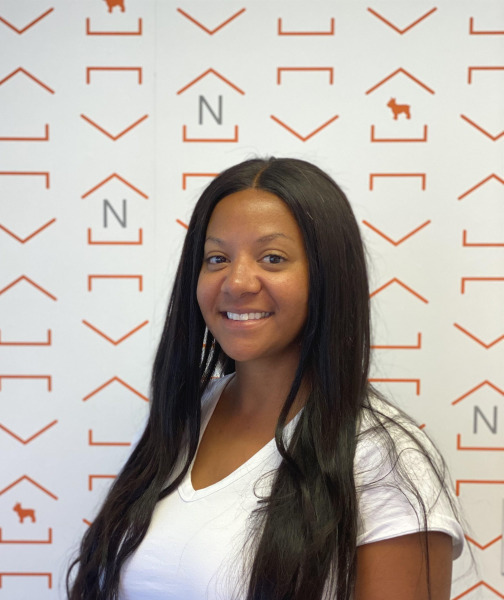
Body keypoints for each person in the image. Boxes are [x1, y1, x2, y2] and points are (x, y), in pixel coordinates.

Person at [67, 157, 464, 600]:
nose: (236, 282)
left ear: (328, 276)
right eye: (217, 258)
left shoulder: (385, 460)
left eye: (272, 258)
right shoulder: (185, 416)